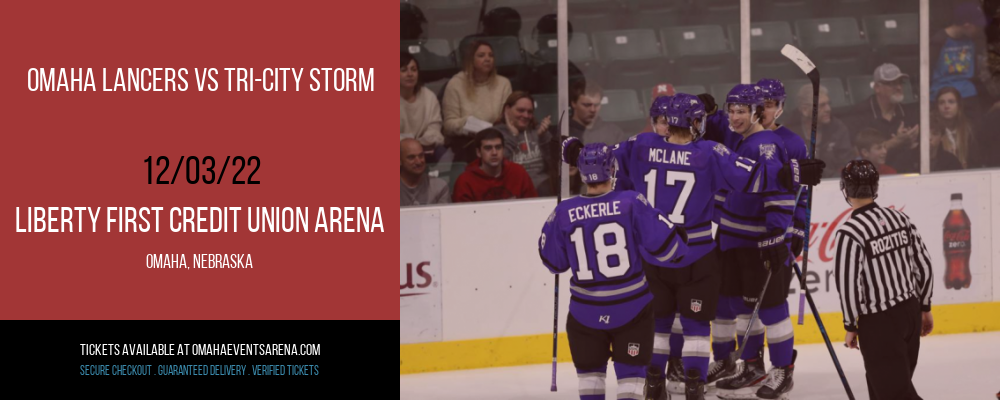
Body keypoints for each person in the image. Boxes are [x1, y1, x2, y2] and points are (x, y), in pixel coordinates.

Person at [563, 93, 825, 400]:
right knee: (697, 326)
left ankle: (654, 384)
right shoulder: (710, 152)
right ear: (696, 122)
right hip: (697, 254)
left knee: (659, 325)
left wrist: (573, 148)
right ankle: (694, 387)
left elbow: (600, 159)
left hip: (654, 255)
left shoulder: (642, 145)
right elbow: (753, 178)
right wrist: (792, 172)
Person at [538, 142, 690, 400]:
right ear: (612, 170)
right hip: (632, 311)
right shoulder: (630, 201)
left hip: (584, 314)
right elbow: (669, 249)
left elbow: (554, 263)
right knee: (631, 383)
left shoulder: (563, 211)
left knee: (590, 385)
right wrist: (679, 236)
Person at [714, 84, 798, 400]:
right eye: (730, 111)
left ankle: (782, 371)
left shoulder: (765, 145)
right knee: (741, 306)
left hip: (758, 243)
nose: (734, 118)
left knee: (772, 308)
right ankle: (751, 367)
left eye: (741, 112)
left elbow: (777, 193)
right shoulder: (741, 139)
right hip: (734, 240)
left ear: (755, 113)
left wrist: (776, 236)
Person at [834, 159, 934, 400]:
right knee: (885, 388)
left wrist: (850, 325)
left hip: (880, 323)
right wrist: (924, 307)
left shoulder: (851, 232)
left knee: (895, 393)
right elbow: (924, 264)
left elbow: (848, 285)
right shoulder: (900, 219)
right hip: (909, 313)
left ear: (845, 189)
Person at [442, 40, 514, 162]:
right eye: (481, 55)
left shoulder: (503, 83)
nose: (487, 59)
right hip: (467, 141)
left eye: (490, 55)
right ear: (471, 60)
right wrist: (467, 125)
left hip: (496, 138)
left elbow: (508, 118)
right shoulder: (455, 84)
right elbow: (448, 125)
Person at [844, 64, 920, 173]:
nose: (898, 87)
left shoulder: (908, 113)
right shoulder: (860, 113)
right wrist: (895, 142)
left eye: (900, 83)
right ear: (877, 88)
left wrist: (912, 145)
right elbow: (856, 155)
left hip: (906, 176)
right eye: (892, 84)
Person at [930, 1, 989, 118]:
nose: (978, 30)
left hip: (967, 91)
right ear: (967, 25)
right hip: (942, 90)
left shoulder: (972, 40)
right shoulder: (939, 40)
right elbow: (927, 68)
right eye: (976, 26)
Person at [783, 83, 855, 178]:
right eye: (822, 105)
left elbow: (847, 165)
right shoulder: (787, 133)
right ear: (804, 110)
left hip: (834, 184)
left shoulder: (838, 128)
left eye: (829, 104)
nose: (828, 109)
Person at [493, 91, 555, 196]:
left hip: (542, 187)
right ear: (507, 109)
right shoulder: (496, 134)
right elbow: (495, 165)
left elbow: (554, 164)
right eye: (521, 110)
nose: (526, 115)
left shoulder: (539, 130)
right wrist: (513, 136)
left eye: (529, 112)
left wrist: (543, 137)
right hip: (512, 188)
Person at [452, 128, 537, 202]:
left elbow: (534, 208)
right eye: (488, 148)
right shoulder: (465, 181)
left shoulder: (518, 173)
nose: (494, 152)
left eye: (498, 147)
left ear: (503, 149)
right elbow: (463, 217)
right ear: (478, 152)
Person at [401, 52, 445, 154]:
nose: (410, 74)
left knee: (441, 152)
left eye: (414, 70)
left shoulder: (428, 96)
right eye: (403, 70)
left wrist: (422, 142)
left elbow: (434, 127)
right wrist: (410, 145)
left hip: (424, 148)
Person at [931, 86, 979, 169]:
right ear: (937, 107)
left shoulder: (970, 130)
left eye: (951, 102)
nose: (946, 106)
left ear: (959, 106)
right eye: (941, 103)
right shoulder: (933, 132)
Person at [569, 80, 629, 146]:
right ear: (573, 103)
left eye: (597, 105)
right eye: (586, 105)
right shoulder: (562, 131)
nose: (593, 109)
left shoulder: (614, 132)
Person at [400, 139, 450, 206]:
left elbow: (445, 215)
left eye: (421, 156)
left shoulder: (439, 187)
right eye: (411, 157)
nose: (418, 162)